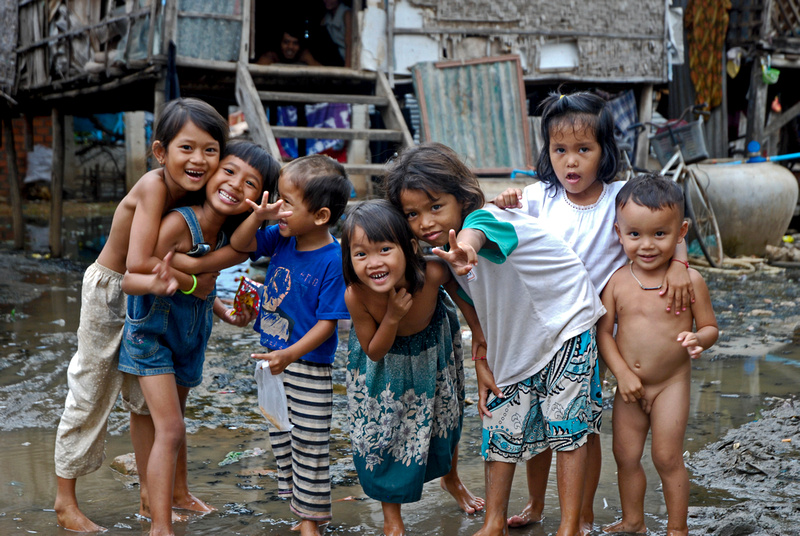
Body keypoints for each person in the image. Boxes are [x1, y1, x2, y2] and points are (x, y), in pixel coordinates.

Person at [491, 90, 694, 533]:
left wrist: (680, 263)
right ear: (547, 151)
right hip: (539, 326)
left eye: (584, 149)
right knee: (539, 423)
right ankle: (537, 503)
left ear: (604, 152)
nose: (571, 161)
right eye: (560, 150)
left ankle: (580, 514)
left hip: (591, 331)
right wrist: (505, 200)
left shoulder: (620, 197)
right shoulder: (539, 197)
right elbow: (496, 219)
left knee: (581, 427)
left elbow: (668, 216)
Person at [384, 142, 606, 536]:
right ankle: (493, 522)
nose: (425, 222)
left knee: (566, 429)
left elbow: (473, 239)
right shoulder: (437, 256)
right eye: (412, 214)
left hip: (566, 321)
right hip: (515, 338)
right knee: (499, 426)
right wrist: (482, 357)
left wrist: (465, 250)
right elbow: (469, 302)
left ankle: (570, 526)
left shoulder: (487, 218)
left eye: (436, 207)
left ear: (462, 197)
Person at [53, 97, 228, 533]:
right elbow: (140, 263)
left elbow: (186, 258)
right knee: (90, 391)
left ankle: (157, 497)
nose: (199, 159)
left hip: (155, 298)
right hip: (113, 292)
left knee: (145, 402)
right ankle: (64, 501)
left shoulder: (197, 193)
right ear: (159, 151)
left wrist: (215, 299)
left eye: (210, 150)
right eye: (186, 148)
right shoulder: (154, 187)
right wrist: (194, 282)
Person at [118, 140, 280, 536]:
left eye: (250, 183)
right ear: (209, 173)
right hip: (151, 337)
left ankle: (179, 494)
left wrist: (228, 311)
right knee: (169, 429)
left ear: (259, 199)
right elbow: (141, 273)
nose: (234, 185)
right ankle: (158, 524)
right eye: (228, 171)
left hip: (189, 339)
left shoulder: (231, 237)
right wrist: (185, 279)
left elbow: (226, 266)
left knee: (176, 424)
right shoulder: (178, 222)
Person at [340, 200, 486, 536]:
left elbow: (463, 299)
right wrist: (391, 316)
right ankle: (392, 518)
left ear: (408, 248)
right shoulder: (356, 295)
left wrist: (479, 335)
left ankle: (451, 479)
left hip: (432, 355)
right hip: (382, 370)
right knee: (382, 436)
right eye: (361, 254)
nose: (374, 263)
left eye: (385, 249)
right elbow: (374, 352)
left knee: (445, 419)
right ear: (348, 258)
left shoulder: (433, 272)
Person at [229, 154, 352, 536]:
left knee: (311, 444)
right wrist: (260, 216)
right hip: (270, 361)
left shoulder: (334, 259)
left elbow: (329, 324)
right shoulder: (282, 237)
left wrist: (291, 354)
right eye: (278, 200)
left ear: (320, 215)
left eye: (287, 204)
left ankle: (309, 521)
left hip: (307, 366)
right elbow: (239, 242)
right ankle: (298, 507)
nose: (279, 209)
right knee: (281, 438)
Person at [598, 174, 718, 536]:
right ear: (618, 233)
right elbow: (604, 333)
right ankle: (634, 521)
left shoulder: (690, 281)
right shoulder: (617, 282)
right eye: (635, 234)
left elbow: (711, 327)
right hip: (629, 388)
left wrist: (700, 338)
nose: (647, 245)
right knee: (626, 456)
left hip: (670, 385)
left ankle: (677, 529)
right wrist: (621, 373)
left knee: (667, 457)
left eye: (659, 234)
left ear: (681, 232)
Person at [256, 26, 322, 66]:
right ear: (280, 43)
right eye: (286, 42)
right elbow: (254, 73)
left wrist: (308, 59)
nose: (290, 47)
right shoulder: (272, 55)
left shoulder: (303, 54)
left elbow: (321, 72)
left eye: (295, 43)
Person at [320, 0, 352, 67]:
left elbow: (349, 43)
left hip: (345, 58)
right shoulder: (327, 16)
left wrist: (347, 70)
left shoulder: (347, 14)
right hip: (333, 58)